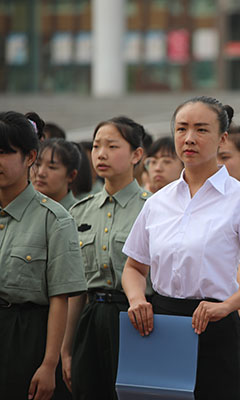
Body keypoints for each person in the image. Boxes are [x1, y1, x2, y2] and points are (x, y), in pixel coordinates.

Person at [121, 96, 240, 400]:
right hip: (161, 323)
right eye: (182, 129)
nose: (189, 138)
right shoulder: (158, 202)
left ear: (222, 138)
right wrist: (136, 300)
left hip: (215, 324)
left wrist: (228, 305)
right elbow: (134, 266)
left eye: (201, 129)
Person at [63, 116, 152, 399]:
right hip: (91, 317)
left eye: (112, 146)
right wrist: (66, 348)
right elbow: (76, 288)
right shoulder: (80, 211)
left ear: (137, 154)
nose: (101, 154)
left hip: (138, 319)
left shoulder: (154, 208)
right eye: (96, 146)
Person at [0, 111, 86, 399]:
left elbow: (59, 298)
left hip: (26, 336)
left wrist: (50, 364)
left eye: (4, 153)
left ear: (29, 158)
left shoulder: (54, 219)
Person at [32, 138, 82, 210]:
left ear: (71, 175)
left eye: (52, 167)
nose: (40, 173)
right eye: (37, 164)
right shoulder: (24, 209)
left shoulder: (80, 214)